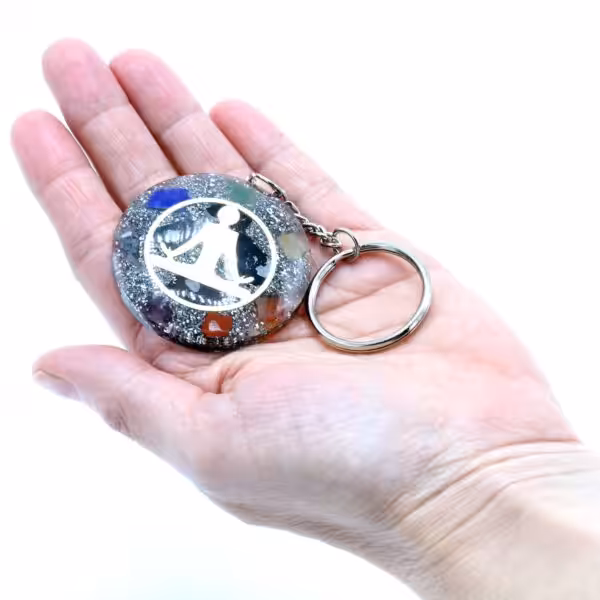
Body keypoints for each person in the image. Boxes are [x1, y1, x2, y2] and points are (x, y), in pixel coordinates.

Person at [13, 39, 600, 599]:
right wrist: (471, 488)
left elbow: (221, 261)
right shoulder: (221, 232)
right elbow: (198, 253)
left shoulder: (257, 246)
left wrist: (465, 485)